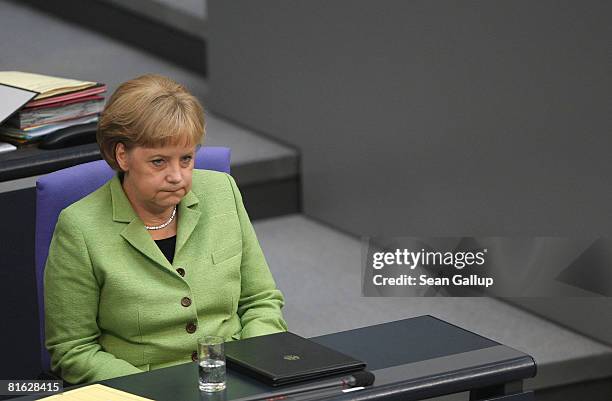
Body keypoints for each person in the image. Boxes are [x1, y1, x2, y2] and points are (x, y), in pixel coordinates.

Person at [44, 74, 288, 384]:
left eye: (186, 158)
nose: (177, 176)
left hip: (234, 378)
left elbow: (261, 301)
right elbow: (74, 350)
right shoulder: (79, 227)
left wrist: (254, 369)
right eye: (159, 162)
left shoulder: (222, 191)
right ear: (122, 156)